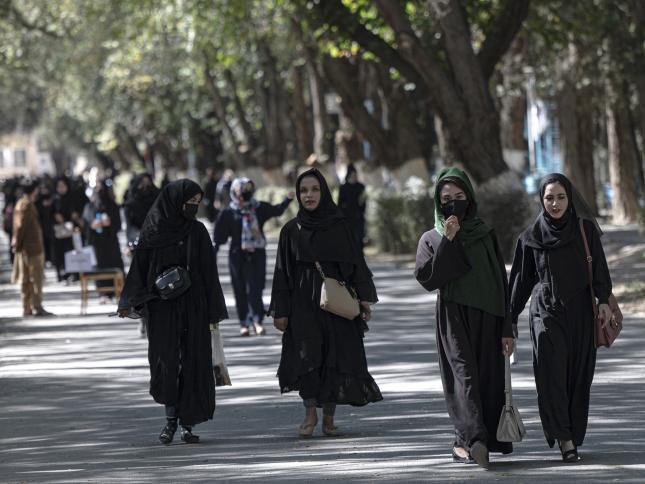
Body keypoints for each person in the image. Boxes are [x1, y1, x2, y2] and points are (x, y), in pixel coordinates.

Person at [269, 168, 382, 438]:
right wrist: (280, 311)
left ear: (324, 192)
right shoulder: (290, 230)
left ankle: (329, 419)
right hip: (302, 305)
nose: (309, 195)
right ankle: (310, 414)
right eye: (303, 191)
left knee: (335, 357)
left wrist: (364, 300)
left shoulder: (340, 226)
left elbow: (356, 264)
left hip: (335, 303)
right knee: (307, 357)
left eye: (314, 189)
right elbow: (282, 273)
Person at [414, 167, 514, 468]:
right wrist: (448, 240)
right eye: (446, 199)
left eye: (459, 196)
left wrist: (507, 327)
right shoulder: (431, 238)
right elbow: (429, 279)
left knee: (487, 378)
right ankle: (476, 439)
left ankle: (466, 442)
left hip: (489, 315)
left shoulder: (485, 233)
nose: (453, 203)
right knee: (464, 375)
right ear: (438, 202)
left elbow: (500, 280)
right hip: (453, 316)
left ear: (469, 198)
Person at [509, 173, 613, 463]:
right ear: (541, 200)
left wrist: (604, 300)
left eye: (561, 197)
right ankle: (565, 439)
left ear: (570, 198)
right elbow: (519, 283)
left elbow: (600, 269)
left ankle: (574, 433)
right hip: (545, 314)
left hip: (581, 313)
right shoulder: (530, 238)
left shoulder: (585, 230)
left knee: (579, 376)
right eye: (549, 198)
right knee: (551, 377)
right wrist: (509, 320)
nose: (555, 204)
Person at [118, 179, 228, 444]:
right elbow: (139, 267)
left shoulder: (198, 231)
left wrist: (213, 310)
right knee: (166, 363)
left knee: (192, 361)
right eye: (188, 202)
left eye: (196, 203)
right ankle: (170, 420)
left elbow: (209, 272)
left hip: (194, 307)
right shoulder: (153, 230)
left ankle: (187, 424)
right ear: (173, 202)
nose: (192, 207)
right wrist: (128, 301)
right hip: (162, 308)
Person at [213, 177, 293, 336]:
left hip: (257, 254)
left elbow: (276, 210)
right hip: (237, 255)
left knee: (255, 288)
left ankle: (257, 321)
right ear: (234, 192)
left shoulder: (259, 207)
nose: (244, 193)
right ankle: (244, 323)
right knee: (240, 289)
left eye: (248, 189)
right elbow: (219, 237)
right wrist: (212, 254)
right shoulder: (229, 212)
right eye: (241, 190)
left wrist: (287, 199)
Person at [11, 179, 52, 317]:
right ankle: (36, 306)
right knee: (35, 279)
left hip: (26, 247)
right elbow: (20, 226)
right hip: (31, 247)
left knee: (26, 279)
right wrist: (17, 243)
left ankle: (27, 307)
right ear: (34, 190)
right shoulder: (26, 204)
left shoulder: (22, 203)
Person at [82, 179, 124, 302]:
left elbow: (118, 225)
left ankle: (118, 291)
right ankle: (103, 293)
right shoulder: (89, 207)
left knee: (114, 265)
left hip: (111, 242)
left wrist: (109, 223)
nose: (99, 191)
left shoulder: (112, 206)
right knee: (99, 268)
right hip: (96, 243)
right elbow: (86, 224)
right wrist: (93, 225)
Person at [123, 172, 159, 246]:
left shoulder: (158, 198)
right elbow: (130, 227)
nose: (145, 186)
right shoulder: (130, 205)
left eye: (148, 183)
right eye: (142, 183)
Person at [338, 164, 367, 252]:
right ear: (349, 174)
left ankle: (360, 254)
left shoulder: (361, 186)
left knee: (359, 236)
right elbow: (340, 203)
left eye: (355, 174)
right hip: (347, 217)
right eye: (352, 174)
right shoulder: (343, 188)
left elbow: (364, 201)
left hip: (358, 216)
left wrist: (361, 211)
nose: (354, 176)